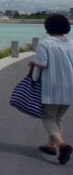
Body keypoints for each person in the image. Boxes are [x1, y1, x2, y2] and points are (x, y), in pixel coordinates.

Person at [29, 13, 73, 165]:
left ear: (48, 27)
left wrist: (32, 63)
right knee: (58, 117)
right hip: (70, 86)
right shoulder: (71, 43)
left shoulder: (45, 43)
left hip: (54, 86)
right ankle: (50, 146)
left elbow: (42, 63)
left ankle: (62, 145)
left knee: (47, 116)